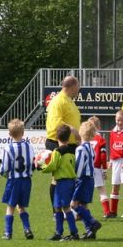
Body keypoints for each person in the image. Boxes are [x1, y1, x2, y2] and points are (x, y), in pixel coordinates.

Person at [45, 75, 82, 211]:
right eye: (78, 86)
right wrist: (72, 129)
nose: (79, 89)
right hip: (57, 143)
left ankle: (67, 209)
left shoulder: (69, 101)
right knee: (57, 178)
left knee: (69, 178)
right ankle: (57, 211)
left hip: (70, 144)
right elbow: (55, 123)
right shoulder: (58, 101)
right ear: (72, 87)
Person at [39, 124, 80, 241]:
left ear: (56, 138)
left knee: (65, 207)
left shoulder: (57, 152)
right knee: (57, 207)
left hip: (63, 182)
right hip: (69, 181)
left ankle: (74, 233)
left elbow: (53, 166)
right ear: (69, 138)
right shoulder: (72, 151)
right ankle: (58, 232)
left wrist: (42, 167)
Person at [0, 119, 34, 240]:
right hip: (26, 181)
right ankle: (27, 229)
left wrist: (3, 174)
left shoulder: (8, 148)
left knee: (10, 206)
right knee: (22, 206)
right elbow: (32, 162)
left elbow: (5, 167)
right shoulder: (28, 146)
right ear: (23, 133)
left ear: (9, 133)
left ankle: (8, 232)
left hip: (14, 181)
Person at [72, 121, 103, 239]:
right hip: (90, 179)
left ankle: (93, 222)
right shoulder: (91, 147)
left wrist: (75, 178)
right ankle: (90, 231)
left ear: (80, 132)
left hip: (83, 179)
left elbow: (79, 166)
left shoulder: (80, 149)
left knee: (74, 204)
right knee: (84, 205)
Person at [89, 116, 111, 218]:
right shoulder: (100, 139)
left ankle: (78, 211)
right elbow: (103, 156)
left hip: (86, 168)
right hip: (97, 168)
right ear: (99, 127)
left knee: (83, 190)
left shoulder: (85, 139)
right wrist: (105, 170)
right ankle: (107, 212)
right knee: (101, 189)